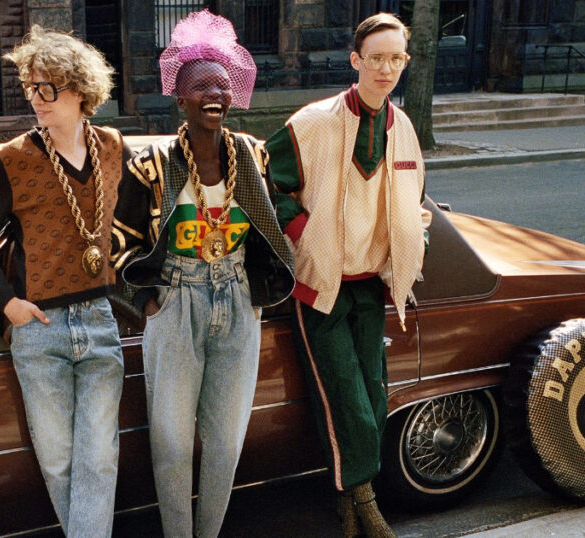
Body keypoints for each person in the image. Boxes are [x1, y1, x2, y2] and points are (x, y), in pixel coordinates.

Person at [111, 10, 295, 538]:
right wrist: (146, 302)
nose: (214, 94)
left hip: (237, 298)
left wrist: (263, 286)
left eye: (222, 84)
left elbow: (282, 213)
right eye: (201, 87)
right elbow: (118, 243)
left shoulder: (253, 156)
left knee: (226, 439)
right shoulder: (152, 165)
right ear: (181, 98)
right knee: (170, 439)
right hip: (176, 298)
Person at [0, 25, 131, 537]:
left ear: (80, 90)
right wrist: (8, 303)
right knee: (58, 462)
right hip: (39, 326)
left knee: (99, 459)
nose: (36, 100)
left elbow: (140, 223)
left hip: (99, 320)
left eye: (47, 88)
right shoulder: (13, 159)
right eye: (31, 89)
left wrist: (145, 289)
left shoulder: (113, 146)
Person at [263, 12, 431, 538]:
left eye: (396, 58)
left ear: (405, 62)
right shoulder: (312, 122)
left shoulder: (402, 127)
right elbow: (265, 183)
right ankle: (365, 501)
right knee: (345, 396)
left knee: (374, 397)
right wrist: (304, 232)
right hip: (321, 286)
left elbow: (417, 197)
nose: (386, 69)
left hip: (371, 284)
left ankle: (348, 507)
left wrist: (413, 235)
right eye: (376, 58)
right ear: (356, 61)